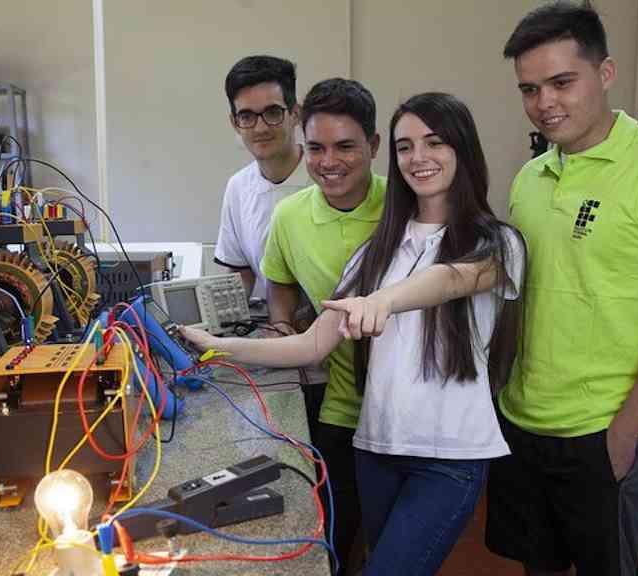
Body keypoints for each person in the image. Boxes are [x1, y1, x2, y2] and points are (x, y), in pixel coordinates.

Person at [183, 92, 525, 576]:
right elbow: (311, 345)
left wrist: (381, 301)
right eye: (405, 147)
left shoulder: (498, 243)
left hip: (449, 457)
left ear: (463, 148)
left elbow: (450, 280)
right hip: (376, 448)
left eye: (435, 142)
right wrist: (216, 345)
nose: (418, 157)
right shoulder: (377, 250)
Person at [485, 3, 638, 576]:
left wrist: (626, 431)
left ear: (606, 72)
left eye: (562, 82)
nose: (545, 102)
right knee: (538, 566)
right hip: (525, 418)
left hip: (606, 427)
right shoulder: (530, 178)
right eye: (529, 89)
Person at [258, 77, 387, 574]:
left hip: (405, 410)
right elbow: (280, 281)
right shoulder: (289, 216)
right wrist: (281, 323)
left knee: (389, 541)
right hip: (340, 400)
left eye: (345, 146)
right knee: (335, 530)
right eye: (315, 148)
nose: (329, 161)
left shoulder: (405, 206)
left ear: (374, 145)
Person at [215, 55, 311, 300]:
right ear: (235, 123)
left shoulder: (326, 178)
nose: (260, 128)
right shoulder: (238, 187)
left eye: (273, 112)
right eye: (247, 116)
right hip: (270, 319)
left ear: (295, 114)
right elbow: (240, 270)